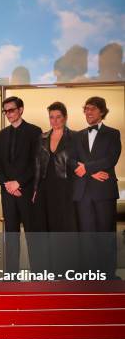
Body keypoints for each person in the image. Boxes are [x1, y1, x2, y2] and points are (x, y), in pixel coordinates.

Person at [72, 97, 121, 278]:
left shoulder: (113, 133)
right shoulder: (78, 135)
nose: (88, 112)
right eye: (85, 109)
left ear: (102, 111)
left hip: (104, 192)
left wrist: (85, 167)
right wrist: (89, 171)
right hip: (83, 193)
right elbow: (71, 160)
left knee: (106, 235)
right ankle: (89, 275)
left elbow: (111, 159)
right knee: (86, 236)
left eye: (92, 109)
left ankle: (108, 275)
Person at [0, 97, 42, 273]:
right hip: (8, 192)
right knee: (11, 234)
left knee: (32, 233)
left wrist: (19, 183)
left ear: (21, 109)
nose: (8, 114)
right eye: (5, 111)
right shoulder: (1, 135)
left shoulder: (35, 131)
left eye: (11, 110)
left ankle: (38, 273)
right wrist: (7, 184)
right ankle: (11, 275)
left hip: (26, 190)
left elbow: (36, 163)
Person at [33, 102, 78, 274]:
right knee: (47, 228)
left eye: (58, 117)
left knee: (65, 228)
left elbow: (78, 163)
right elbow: (37, 165)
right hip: (45, 188)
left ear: (65, 117)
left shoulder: (75, 136)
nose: (55, 120)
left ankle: (66, 270)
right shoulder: (42, 137)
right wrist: (35, 189)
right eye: (52, 117)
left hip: (66, 188)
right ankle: (48, 270)